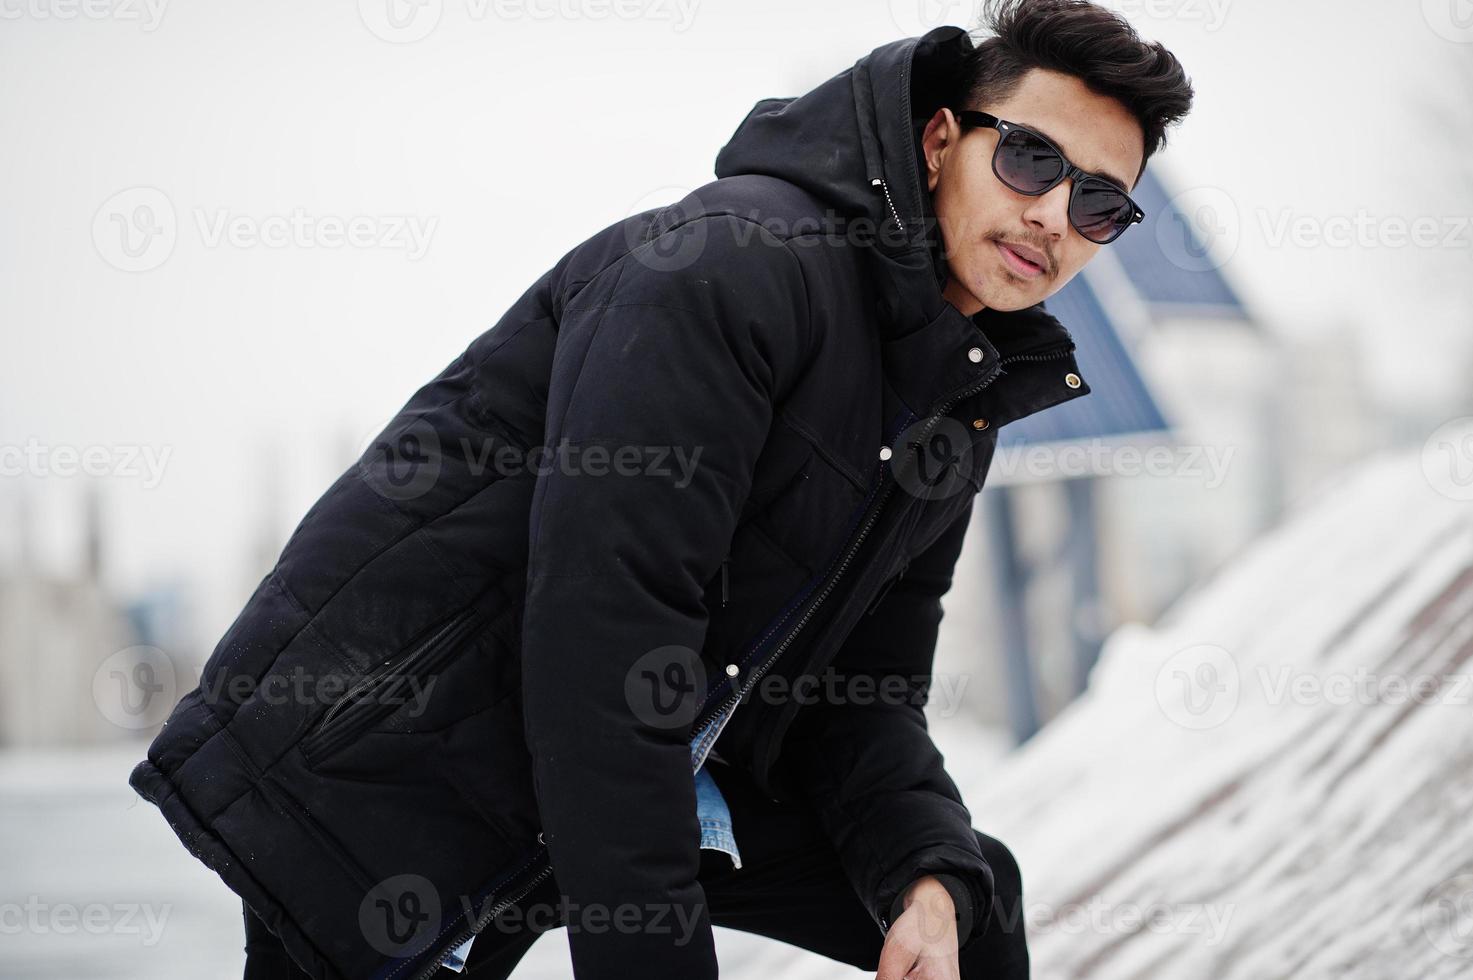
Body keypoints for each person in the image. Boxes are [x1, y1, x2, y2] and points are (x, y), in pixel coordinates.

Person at [129, 2, 1193, 978]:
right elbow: (600, 641)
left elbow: (864, 694)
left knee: (967, 894)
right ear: (940, 141)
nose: (1054, 214)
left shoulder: (951, 401)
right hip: (393, 746)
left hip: (637, 751)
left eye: (1099, 202)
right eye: (1030, 158)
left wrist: (923, 870)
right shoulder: (734, 267)